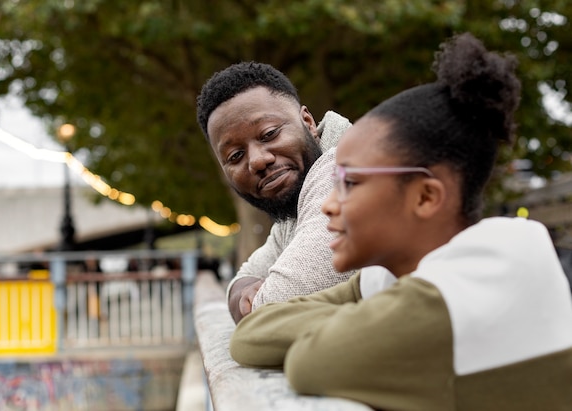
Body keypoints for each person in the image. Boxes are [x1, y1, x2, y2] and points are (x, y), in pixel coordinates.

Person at [229, 33, 572, 410]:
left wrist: (349, 319)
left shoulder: (452, 297)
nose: (327, 205)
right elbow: (251, 334)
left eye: (351, 183)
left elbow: (306, 363)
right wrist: (365, 317)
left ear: (425, 197)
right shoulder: (403, 273)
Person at [196, 62, 391, 323]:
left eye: (268, 134)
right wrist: (243, 291)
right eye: (236, 155)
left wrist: (256, 299)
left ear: (308, 122)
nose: (257, 161)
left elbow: (274, 311)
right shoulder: (293, 208)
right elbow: (240, 283)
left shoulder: (345, 171)